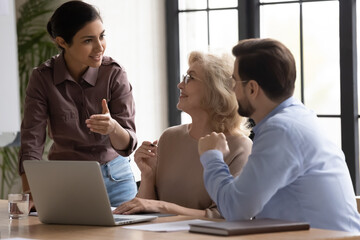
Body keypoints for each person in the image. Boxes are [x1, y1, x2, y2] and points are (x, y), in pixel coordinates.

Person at [198, 38, 360, 231]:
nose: (232, 88)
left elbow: (235, 209)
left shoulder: (280, 131)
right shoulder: (298, 117)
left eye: (235, 80)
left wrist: (212, 157)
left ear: (252, 88)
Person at [18, 1, 137, 208]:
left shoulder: (114, 74)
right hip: (67, 182)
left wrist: (113, 128)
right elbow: (31, 141)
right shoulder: (42, 78)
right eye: (88, 40)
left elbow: (128, 144)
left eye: (102, 36)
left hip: (117, 180)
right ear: (62, 42)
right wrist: (30, 193)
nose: (100, 46)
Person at [113, 51, 252, 218]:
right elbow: (148, 210)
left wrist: (162, 207)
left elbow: (224, 216)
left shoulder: (240, 147)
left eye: (190, 78)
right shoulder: (169, 137)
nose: (180, 85)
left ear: (215, 89)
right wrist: (148, 176)